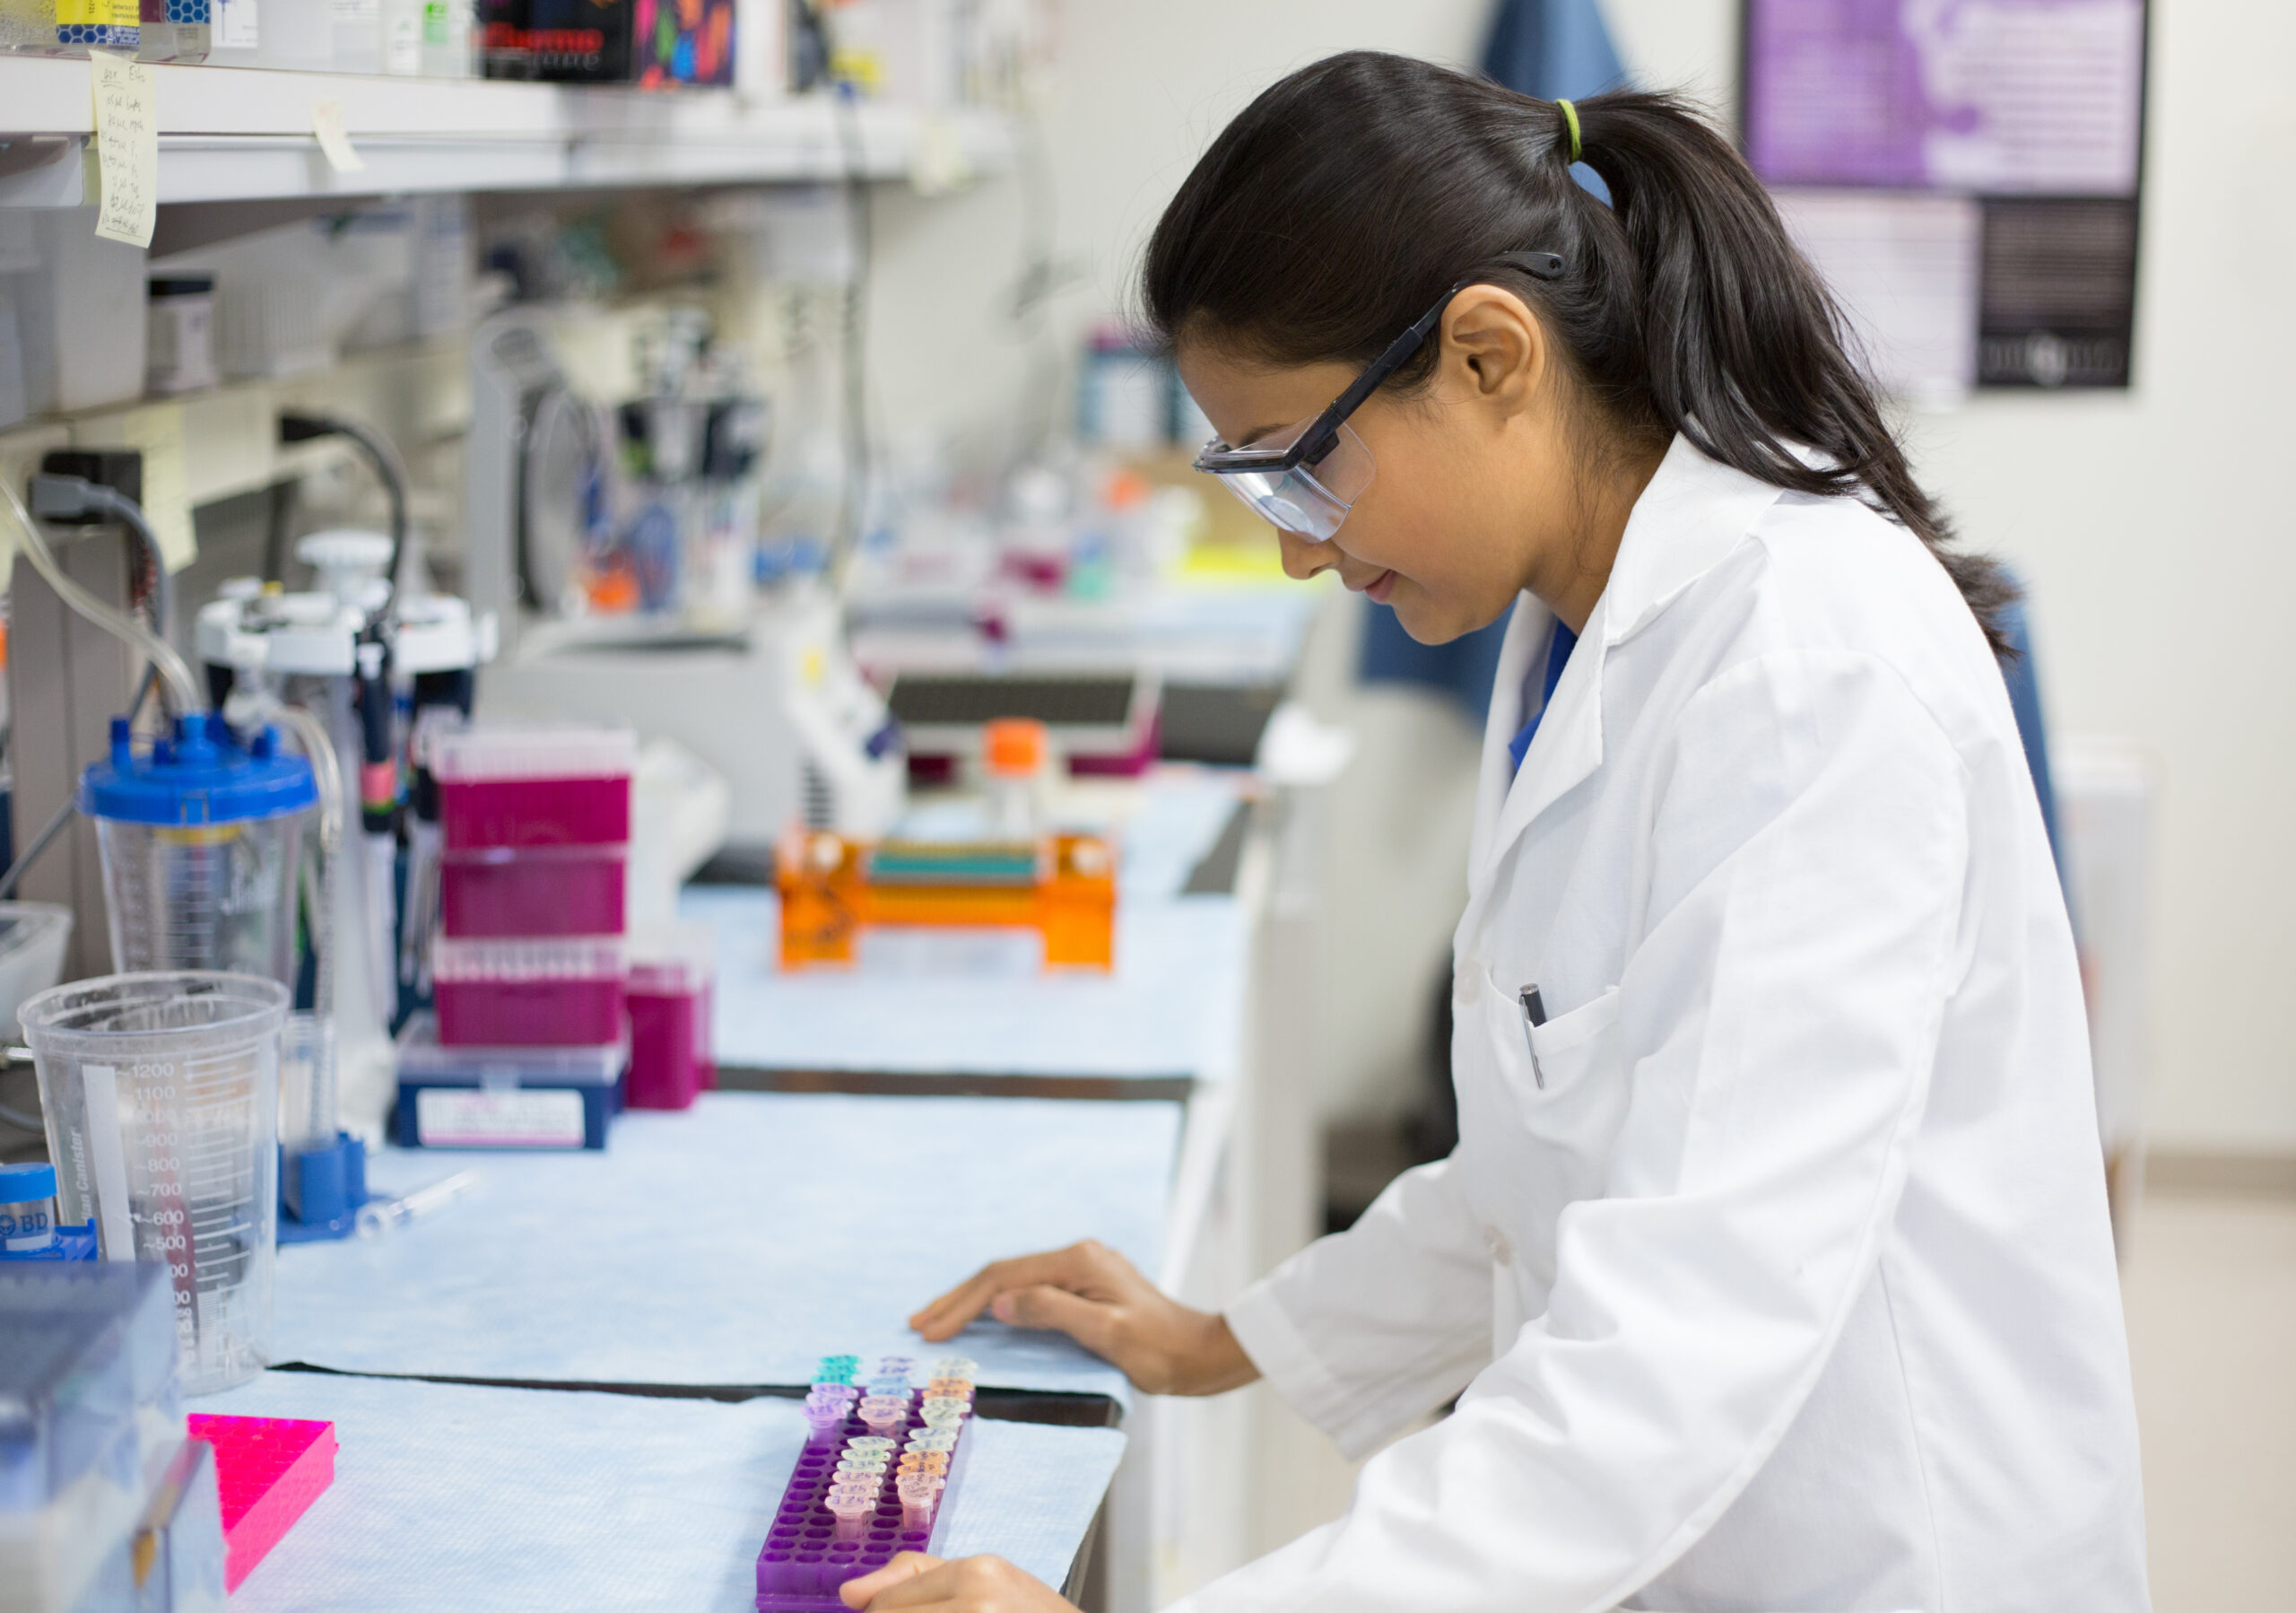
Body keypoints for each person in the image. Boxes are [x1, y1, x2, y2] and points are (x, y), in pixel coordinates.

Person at [840, 51, 2150, 1613]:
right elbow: (1544, 1170)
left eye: (1300, 465)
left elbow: (1682, 1336)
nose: (1293, 552)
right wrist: (1224, 1337)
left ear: (1487, 356)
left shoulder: (1811, 670)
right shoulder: (1575, 628)